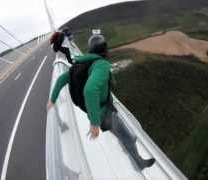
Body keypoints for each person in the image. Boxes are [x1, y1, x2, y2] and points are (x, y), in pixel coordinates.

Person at [47, 33, 155, 170]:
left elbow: (61, 79)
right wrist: (94, 123)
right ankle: (139, 163)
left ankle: (132, 155)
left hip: (100, 110)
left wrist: (52, 99)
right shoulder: (102, 65)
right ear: (103, 50)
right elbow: (90, 90)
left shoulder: (82, 63)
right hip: (104, 114)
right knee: (130, 137)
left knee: (122, 134)